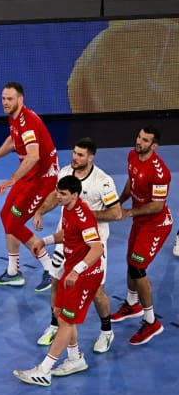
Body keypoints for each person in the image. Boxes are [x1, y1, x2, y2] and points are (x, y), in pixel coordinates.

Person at [13, 175, 104, 387]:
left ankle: (44, 370)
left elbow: (97, 248)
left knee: (67, 321)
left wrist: (78, 271)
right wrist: (44, 241)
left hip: (85, 275)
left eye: (63, 194)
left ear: (75, 195)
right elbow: (69, 234)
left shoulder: (84, 215)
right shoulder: (68, 209)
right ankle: (74, 359)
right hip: (71, 270)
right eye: (58, 192)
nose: (58, 197)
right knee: (61, 315)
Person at [33, 138, 121, 354]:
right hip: (66, 240)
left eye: (81, 155)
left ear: (91, 158)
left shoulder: (103, 181)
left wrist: (86, 217)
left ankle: (106, 331)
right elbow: (55, 196)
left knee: (97, 290)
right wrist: (40, 211)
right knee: (56, 282)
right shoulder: (65, 173)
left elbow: (116, 213)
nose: (75, 157)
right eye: (74, 152)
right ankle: (56, 325)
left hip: (92, 245)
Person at [0, 81, 59, 292]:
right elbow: (13, 141)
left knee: (15, 224)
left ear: (20, 100)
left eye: (10, 99)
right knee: (6, 215)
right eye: (3, 98)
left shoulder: (28, 121)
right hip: (30, 176)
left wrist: (12, 179)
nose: (5, 102)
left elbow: (33, 156)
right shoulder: (15, 119)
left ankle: (50, 269)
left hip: (42, 179)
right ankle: (13, 273)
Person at [110, 126, 173, 345]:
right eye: (139, 137)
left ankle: (151, 321)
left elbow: (157, 206)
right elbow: (131, 182)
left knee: (138, 267)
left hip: (156, 225)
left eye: (145, 140)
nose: (139, 142)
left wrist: (129, 212)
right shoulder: (132, 155)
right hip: (140, 221)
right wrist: (120, 201)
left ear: (154, 146)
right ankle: (132, 304)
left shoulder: (160, 172)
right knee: (130, 262)